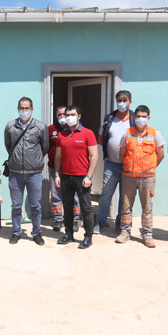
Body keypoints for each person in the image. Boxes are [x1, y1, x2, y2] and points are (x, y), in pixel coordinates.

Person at [115, 105, 165, 248]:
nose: (141, 119)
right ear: (134, 117)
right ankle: (125, 232)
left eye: (144, 117)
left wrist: (150, 167)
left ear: (148, 118)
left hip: (147, 178)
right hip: (128, 176)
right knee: (126, 206)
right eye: (138, 116)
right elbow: (122, 154)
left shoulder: (155, 134)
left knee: (147, 207)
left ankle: (147, 234)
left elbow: (160, 155)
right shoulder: (127, 133)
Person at [4, 96, 49, 245]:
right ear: (18, 109)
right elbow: (8, 146)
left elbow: (45, 147)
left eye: (27, 108)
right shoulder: (10, 126)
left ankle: (36, 233)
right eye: (22, 108)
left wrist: (34, 160)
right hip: (15, 173)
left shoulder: (40, 127)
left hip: (34, 173)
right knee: (16, 206)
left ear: (32, 109)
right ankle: (16, 232)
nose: (24, 111)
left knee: (35, 206)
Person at [53, 105, 98, 249]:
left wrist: (89, 176)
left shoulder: (87, 133)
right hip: (66, 177)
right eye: (67, 115)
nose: (69, 117)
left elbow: (94, 156)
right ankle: (69, 234)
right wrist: (57, 174)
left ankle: (88, 236)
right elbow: (58, 156)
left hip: (82, 177)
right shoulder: (62, 134)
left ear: (79, 116)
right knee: (67, 207)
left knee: (86, 208)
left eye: (72, 114)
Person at [94, 90, 135, 234]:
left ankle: (120, 224)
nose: (122, 103)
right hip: (111, 164)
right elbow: (101, 138)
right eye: (119, 101)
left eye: (125, 100)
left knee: (125, 196)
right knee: (106, 193)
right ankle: (101, 222)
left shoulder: (135, 119)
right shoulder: (109, 118)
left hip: (128, 165)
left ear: (130, 102)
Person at [48, 105, 81, 232]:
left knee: (74, 196)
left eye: (64, 115)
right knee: (56, 195)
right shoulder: (50, 129)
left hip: (71, 169)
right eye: (60, 115)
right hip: (54, 168)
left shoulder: (73, 129)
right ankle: (58, 220)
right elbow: (45, 146)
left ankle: (74, 220)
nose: (62, 117)